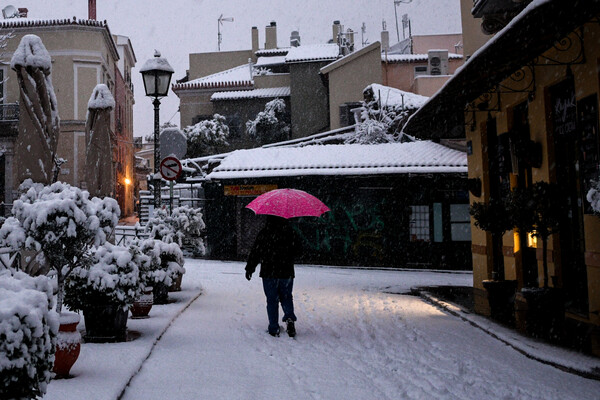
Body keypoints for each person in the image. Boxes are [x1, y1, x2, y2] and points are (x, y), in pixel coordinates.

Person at [245, 215, 298, 337]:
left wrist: (250, 268)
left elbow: (256, 251)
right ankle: (290, 318)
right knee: (286, 296)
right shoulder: (290, 232)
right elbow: (299, 250)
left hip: (269, 271)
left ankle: (273, 327)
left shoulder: (265, 232)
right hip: (286, 271)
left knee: (272, 299)